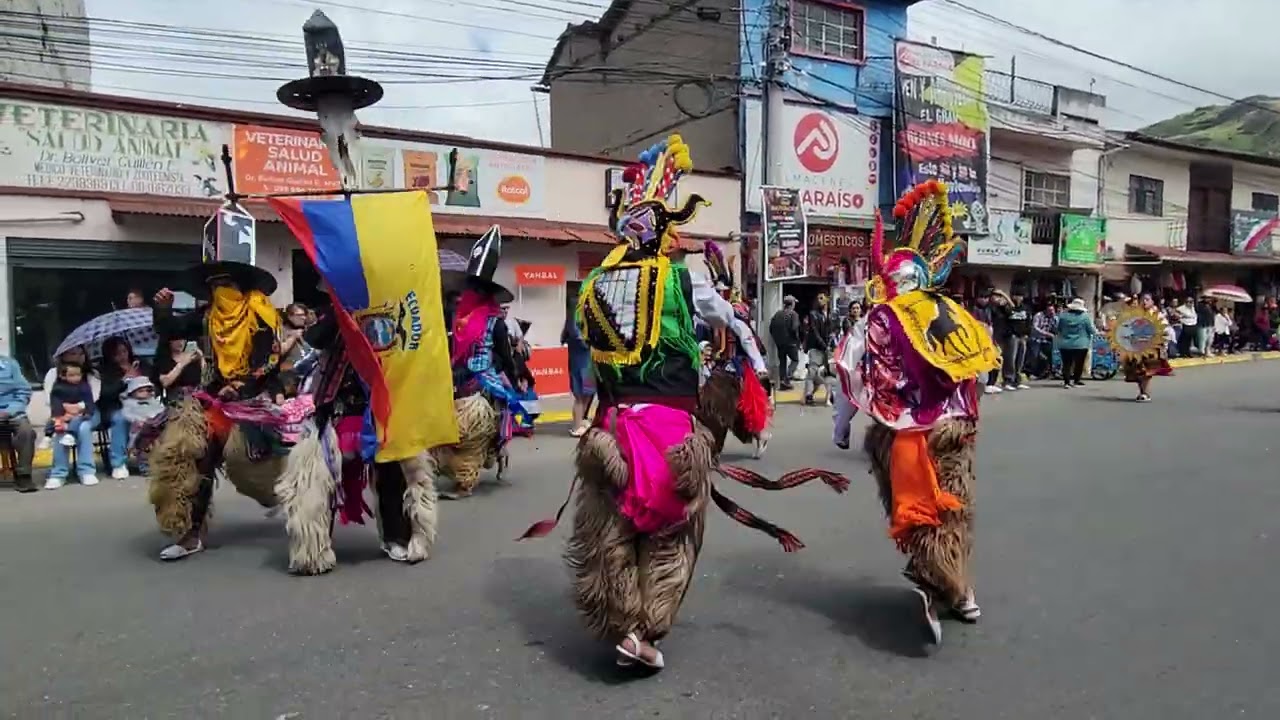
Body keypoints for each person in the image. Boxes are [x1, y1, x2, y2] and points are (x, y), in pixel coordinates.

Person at [520, 134, 848, 671]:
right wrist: (759, 364)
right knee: (672, 531)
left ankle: (624, 623)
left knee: (611, 525)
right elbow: (733, 321)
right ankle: (645, 628)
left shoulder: (596, 286)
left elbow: (592, 344)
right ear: (663, 233)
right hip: (669, 429)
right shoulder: (682, 281)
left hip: (613, 424)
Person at [846, 179, 1000, 647]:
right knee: (954, 509)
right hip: (952, 427)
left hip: (899, 431)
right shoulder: (952, 310)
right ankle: (959, 588)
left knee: (914, 510)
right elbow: (981, 366)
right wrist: (969, 410)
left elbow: (851, 371)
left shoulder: (876, 318)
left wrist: (841, 426)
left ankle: (944, 582)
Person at [275, 288, 440, 573]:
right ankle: (314, 548)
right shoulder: (332, 315)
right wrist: (341, 312)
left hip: (383, 408)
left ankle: (397, 538)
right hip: (337, 410)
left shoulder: (393, 308)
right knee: (318, 481)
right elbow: (316, 339)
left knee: (393, 474)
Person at [145, 260, 287, 561]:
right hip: (213, 401)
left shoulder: (261, 314)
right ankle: (190, 533)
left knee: (245, 463)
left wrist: (240, 386)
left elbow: (270, 360)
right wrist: (163, 309)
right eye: (215, 286)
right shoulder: (208, 316)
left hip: (253, 401)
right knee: (191, 456)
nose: (221, 291)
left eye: (227, 285)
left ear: (241, 288)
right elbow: (171, 329)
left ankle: (281, 495)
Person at [431, 226, 522, 500]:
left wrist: (513, 380)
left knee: (475, 430)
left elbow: (505, 355)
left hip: (477, 382)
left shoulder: (491, 322)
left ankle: (467, 480)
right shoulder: (454, 317)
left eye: (474, 290)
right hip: (454, 379)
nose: (469, 293)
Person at [695, 240, 772, 459]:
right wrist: (701, 348)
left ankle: (755, 435)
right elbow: (699, 336)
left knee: (731, 410)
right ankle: (711, 447)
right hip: (712, 368)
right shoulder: (704, 314)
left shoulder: (734, 316)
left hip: (734, 368)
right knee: (711, 409)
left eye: (722, 292)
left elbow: (748, 341)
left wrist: (759, 368)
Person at [98, 336, 149, 480]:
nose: (122, 356)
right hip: (117, 406)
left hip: (144, 404)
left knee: (157, 417)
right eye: (116, 354)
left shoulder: (141, 364)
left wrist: (145, 390)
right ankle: (118, 463)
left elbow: (155, 384)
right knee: (121, 418)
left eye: (124, 351)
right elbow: (105, 394)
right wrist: (124, 379)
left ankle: (147, 461)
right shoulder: (105, 370)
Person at [46, 361, 100, 488]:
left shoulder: (90, 379)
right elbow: (52, 400)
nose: (76, 378)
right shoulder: (55, 381)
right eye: (72, 375)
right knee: (60, 428)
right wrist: (62, 414)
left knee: (84, 428)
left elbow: (93, 400)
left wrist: (80, 408)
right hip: (64, 413)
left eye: (78, 375)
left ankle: (86, 471)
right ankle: (58, 473)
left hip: (87, 413)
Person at [1112, 292, 1172, 403]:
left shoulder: (1157, 314)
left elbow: (1166, 330)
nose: (1144, 302)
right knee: (1137, 371)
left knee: (1147, 371)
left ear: (1152, 301)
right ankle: (1142, 391)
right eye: (1143, 299)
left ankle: (1145, 393)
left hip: (1151, 347)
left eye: (1147, 299)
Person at [0, 354, 37, 493]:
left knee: (26, 432)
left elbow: (24, 390)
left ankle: (24, 475)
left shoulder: (10, 365)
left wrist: (9, 411)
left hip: (12, 411)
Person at [562, 292, 595, 438]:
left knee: (587, 394)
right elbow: (582, 341)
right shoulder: (575, 325)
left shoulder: (576, 323)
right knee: (581, 396)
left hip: (585, 363)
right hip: (582, 364)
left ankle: (581, 422)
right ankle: (576, 426)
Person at [118, 376, 164, 471]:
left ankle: (159, 464)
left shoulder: (153, 401)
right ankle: (144, 466)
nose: (145, 393)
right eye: (141, 391)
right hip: (139, 431)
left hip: (153, 429)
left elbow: (160, 410)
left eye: (147, 390)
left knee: (158, 445)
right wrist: (136, 420)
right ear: (132, 392)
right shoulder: (129, 403)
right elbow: (126, 414)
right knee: (142, 449)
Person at [1055, 298, 1095, 388]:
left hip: (1065, 344)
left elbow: (1058, 329)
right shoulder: (1085, 317)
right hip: (1081, 344)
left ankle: (1067, 382)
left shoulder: (1063, 316)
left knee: (1066, 363)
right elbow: (1091, 330)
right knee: (1079, 364)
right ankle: (1076, 380)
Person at [151, 336, 204, 403]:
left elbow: (204, 378)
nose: (180, 342)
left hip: (196, 399)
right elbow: (165, 382)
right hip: (175, 401)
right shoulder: (163, 360)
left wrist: (201, 358)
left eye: (182, 339)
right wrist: (182, 363)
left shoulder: (192, 357)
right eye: (176, 340)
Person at [803, 293, 832, 405]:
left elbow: (834, 329)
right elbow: (814, 332)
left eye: (821, 298)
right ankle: (808, 395)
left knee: (826, 373)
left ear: (827, 299)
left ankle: (828, 395)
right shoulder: (813, 314)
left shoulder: (832, 314)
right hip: (816, 347)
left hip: (828, 348)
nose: (819, 300)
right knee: (812, 371)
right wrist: (824, 345)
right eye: (818, 298)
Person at [768, 296, 800, 390]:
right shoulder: (793, 314)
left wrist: (777, 339)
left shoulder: (777, 314)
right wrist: (797, 340)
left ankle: (782, 381)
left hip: (780, 343)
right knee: (795, 360)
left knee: (782, 362)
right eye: (794, 303)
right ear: (792, 304)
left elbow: (771, 328)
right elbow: (794, 328)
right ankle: (788, 377)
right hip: (791, 342)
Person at [1001, 290, 1031, 390]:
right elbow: (1004, 320)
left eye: (1020, 296)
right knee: (1010, 358)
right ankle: (1008, 380)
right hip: (1012, 336)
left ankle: (1017, 380)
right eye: (1016, 296)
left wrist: (1027, 333)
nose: (1018, 298)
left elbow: (1028, 321)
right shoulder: (1008, 308)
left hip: (1022, 336)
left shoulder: (1025, 308)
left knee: (1020, 358)